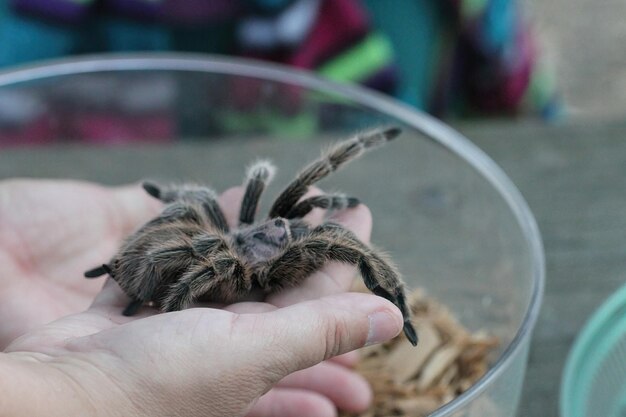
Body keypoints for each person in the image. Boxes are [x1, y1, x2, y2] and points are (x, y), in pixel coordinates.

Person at [0, 178, 403, 417]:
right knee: (340, 243)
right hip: (205, 266)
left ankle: (137, 270)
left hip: (183, 260)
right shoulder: (230, 254)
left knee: (204, 216)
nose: (281, 226)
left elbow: (191, 211)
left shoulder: (224, 231)